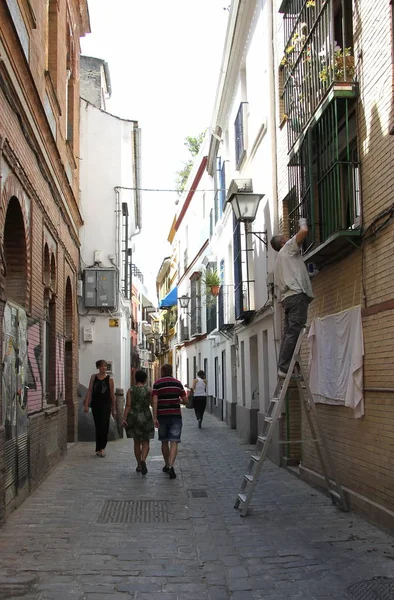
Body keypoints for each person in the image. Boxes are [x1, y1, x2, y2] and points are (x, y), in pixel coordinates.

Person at [270, 217, 314, 378]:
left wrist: (309, 275)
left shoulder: (279, 261)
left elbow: (293, 275)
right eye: (286, 237)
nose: (289, 238)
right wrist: (303, 221)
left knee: (290, 333)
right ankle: (284, 367)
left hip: (288, 299)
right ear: (283, 241)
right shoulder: (288, 248)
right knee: (294, 332)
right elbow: (304, 232)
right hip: (296, 297)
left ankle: (289, 366)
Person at [152, 363, 187, 479]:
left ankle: (166, 464)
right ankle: (172, 465)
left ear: (162, 371)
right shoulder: (178, 383)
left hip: (162, 416)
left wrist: (155, 417)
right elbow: (185, 400)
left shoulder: (157, 384)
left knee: (164, 441)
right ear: (172, 371)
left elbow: (155, 401)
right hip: (176, 416)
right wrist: (178, 402)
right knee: (174, 442)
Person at [122, 370, 154, 475]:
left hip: (134, 417)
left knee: (136, 442)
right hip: (146, 416)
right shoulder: (149, 390)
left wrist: (124, 418)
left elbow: (128, 405)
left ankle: (139, 465)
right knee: (146, 441)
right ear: (145, 379)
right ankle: (143, 459)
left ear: (136, 378)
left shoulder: (130, 390)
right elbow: (152, 404)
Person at [84, 360, 116, 457]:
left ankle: (102, 448)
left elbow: (112, 395)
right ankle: (98, 448)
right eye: (102, 366)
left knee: (104, 426)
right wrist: (86, 404)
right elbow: (89, 390)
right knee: (98, 426)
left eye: (105, 366)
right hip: (95, 405)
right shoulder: (94, 377)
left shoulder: (110, 379)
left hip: (106, 405)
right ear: (98, 367)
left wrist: (114, 408)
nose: (104, 368)